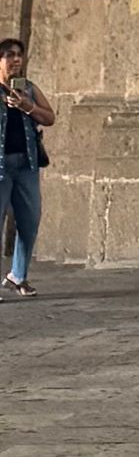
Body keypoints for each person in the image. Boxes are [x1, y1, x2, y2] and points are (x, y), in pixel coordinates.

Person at [0, 37, 54, 295]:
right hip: (0, 168)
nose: (16, 60)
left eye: (19, 55)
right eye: (9, 55)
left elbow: (49, 117)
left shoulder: (27, 88)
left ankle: (17, 276)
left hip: (26, 165)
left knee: (29, 221)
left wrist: (26, 105)